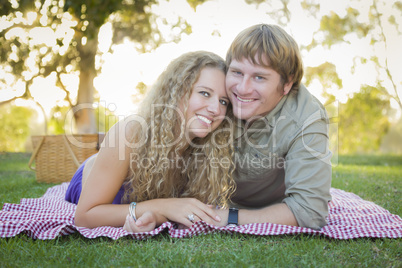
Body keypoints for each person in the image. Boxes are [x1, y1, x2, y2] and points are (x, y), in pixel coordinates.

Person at [65, 51, 236, 232]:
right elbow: (85, 217)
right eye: (205, 93)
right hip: (91, 179)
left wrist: (157, 214)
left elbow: (176, 210)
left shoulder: (208, 150)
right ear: (176, 92)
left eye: (223, 102)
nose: (215, 109)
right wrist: (163, 207)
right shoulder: (130, 132)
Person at [211, 24, 332, 230]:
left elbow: (309, 212)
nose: (242, 88)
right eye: (237, 72)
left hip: (270, 209)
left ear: (287, 84)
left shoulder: (307, 119)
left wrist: (229, 218)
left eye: (259, 77)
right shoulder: (215, 91)